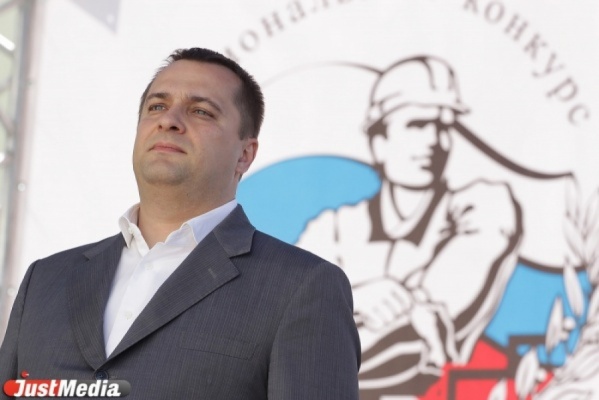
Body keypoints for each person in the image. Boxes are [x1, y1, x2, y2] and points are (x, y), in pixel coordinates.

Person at [0, 48, 360, 399]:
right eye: (157, 106)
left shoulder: (302, 288)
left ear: (244, 155)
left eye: (201, 111)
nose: (168, 120)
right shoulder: (45, 280)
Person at [297, 55, 522, 397]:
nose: (434, 141)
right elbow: (288, 323)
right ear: (379, 142)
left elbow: (415, 336)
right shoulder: (333, 229)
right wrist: (358, 298)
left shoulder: (485, 206)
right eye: (417, 125)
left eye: (444, 127)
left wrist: (339, 307)